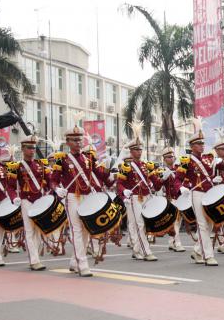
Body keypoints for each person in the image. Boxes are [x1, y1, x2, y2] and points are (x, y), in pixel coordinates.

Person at [50, 118, 109, 277]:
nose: (78, 142)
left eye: (80, 139)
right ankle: (82, 264)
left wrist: (108, 165)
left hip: (87, 197)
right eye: (75, 140)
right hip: (72, 197)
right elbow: (53, 179)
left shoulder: (88, 158)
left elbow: (102, 176)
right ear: (67, 142)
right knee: (76, 230)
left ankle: (74, 262)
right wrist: (57, 189)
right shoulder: (62, 159)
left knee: (85, 231)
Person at [173, 124, 224, 266]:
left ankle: (198, 251)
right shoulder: (186, 161)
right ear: (192, 146)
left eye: (202, 143)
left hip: (210, 193)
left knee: (210, 223)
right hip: (196, 194)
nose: (202, 146)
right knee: (203, 225)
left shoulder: (208, 158)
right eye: (198, 144)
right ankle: (208, 256)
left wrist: (222, 158)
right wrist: (181, 188)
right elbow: (177, 178)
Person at [7, 135, 51, 271]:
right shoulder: (15, 166)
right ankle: (34, 260)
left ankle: (35, 257)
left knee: (38, 230)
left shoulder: (41, 164)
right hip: (26, 200)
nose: (32, 150)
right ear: (22, 149)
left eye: (33, 147)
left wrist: (54, 191)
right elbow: (10, 186)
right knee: (29, 230)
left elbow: (49, 181)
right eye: (29, 148)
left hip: (39, 200)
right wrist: (14, 197)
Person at [116, 127, 160, 262]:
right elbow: (119, 184)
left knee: (142, 224)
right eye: (136, 149)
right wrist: (124, 192)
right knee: (140, 224)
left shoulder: (146, 165)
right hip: (135, 197)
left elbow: (157, 184)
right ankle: (146, 251)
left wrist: (159, 179)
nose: (139, 152)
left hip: (146, 196)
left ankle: (136, 250)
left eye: (140, 149)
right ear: (131, 151)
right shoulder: (126, 166)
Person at [161, 147, 185, 252]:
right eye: (169, 157)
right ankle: (177, 242)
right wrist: (162, 178)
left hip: (179, 197)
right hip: (169, 199)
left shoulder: (178, 168)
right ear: (164, 159)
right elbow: (157, 185)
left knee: (177, 222)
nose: (171, 158)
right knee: (174, 221)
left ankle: (171, 241)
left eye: (172, 156)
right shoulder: (161, 170)